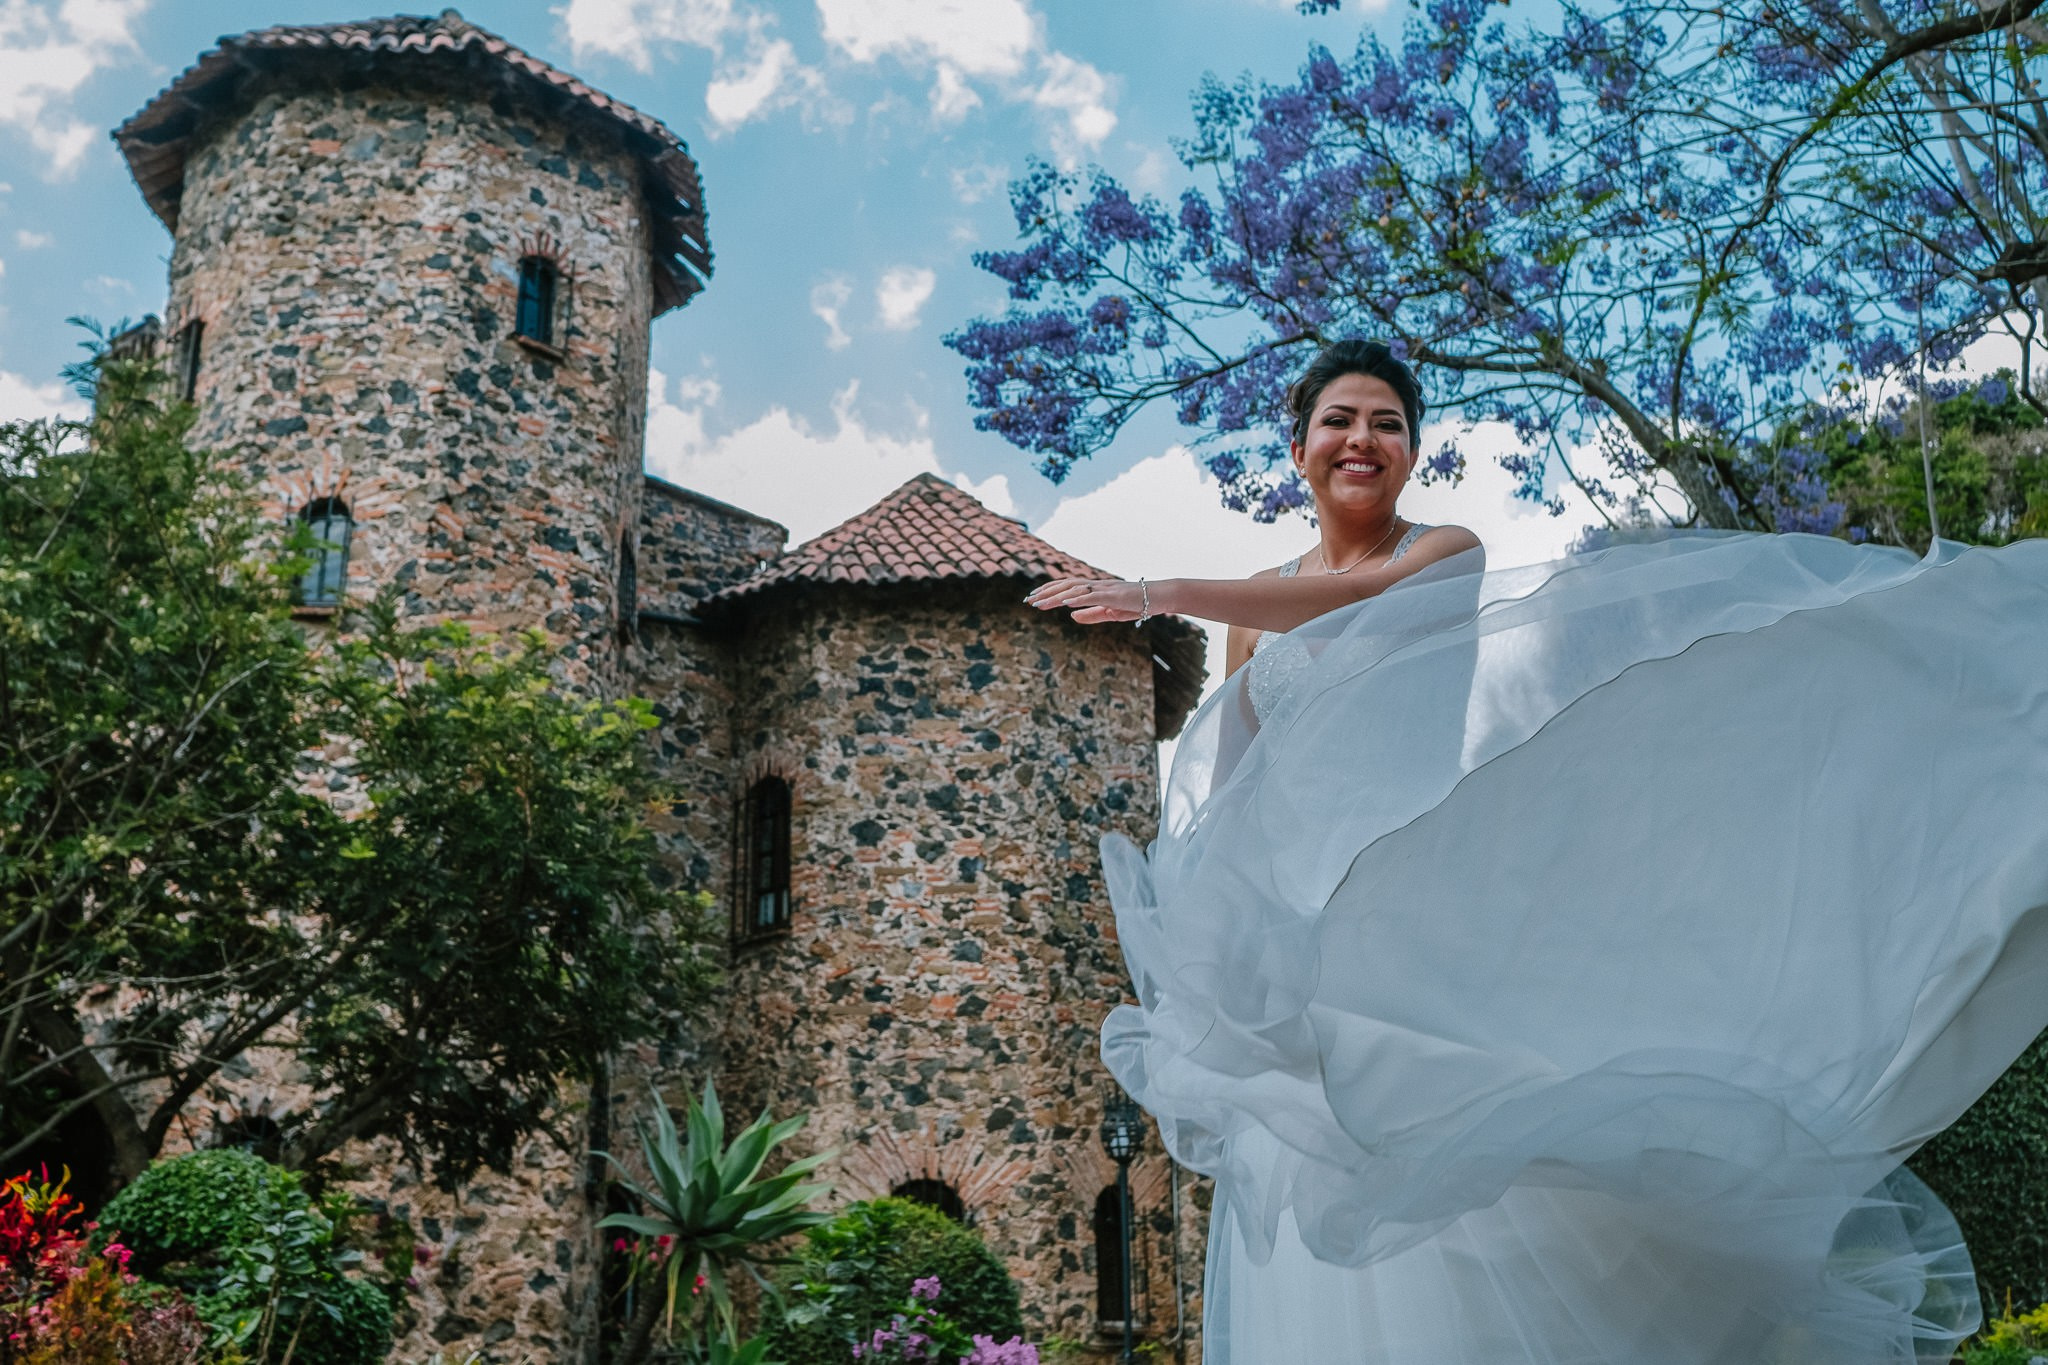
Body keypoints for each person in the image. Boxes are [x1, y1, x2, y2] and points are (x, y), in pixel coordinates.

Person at [1028, 339, 2048, 1365]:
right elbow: (1236, 781)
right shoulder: (1255, 610)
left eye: (1387, 424)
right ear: (1297, 448)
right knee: (1320, 1200)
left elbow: (1353, 603)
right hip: (1306, 933)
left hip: (1415, 912)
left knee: (1470, 1182)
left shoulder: (1444, 554)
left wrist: (1161, 591)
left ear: (1410, 453)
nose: (1362, 439)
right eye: (1339, 419)